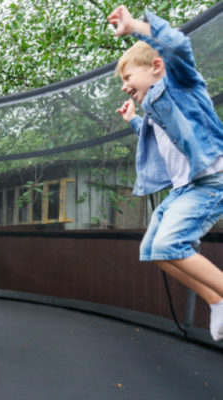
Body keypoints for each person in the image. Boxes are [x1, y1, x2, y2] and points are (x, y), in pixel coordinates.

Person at [109, 5, 223, 341]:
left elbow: (176, 45)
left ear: (157, 66)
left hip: (210, 181)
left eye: (128, 78)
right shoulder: (155, 108)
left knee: (172, 244)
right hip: (183, 189)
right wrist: (133, 120)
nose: (125, 86)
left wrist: (135, 26)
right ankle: (215, 299)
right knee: (154, 251)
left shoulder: (181, 83)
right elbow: (161, 145)